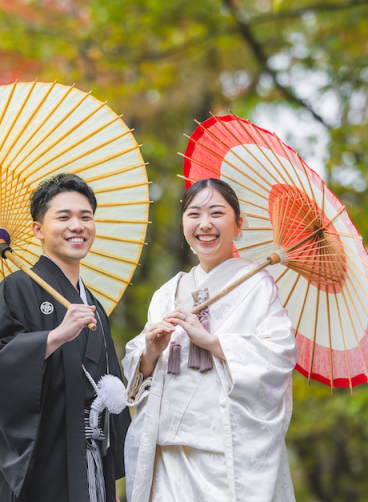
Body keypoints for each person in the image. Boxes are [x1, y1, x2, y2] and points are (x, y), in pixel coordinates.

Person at [122, 178, 298, 502]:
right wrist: (149, 353)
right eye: (194, 214)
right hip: (167, 459)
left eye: (217, 213)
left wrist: (214, 342)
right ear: (183, 223)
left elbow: (279, 355)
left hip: (225, 458)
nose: (205, 224)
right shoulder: (166, 294)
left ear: (238, 224)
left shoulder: (258, 287)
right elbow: (139, 371)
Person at [0, 173, 131, 502]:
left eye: (85, 216)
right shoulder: (18, 288)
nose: (77, 225)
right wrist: (56, 337)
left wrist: (110, 478)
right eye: (63, 217)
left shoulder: (93, 306)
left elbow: (108, 384)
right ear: (38, 229)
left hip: (92, 464)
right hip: (45, 463)